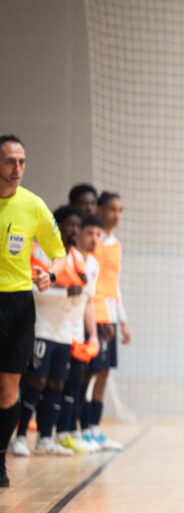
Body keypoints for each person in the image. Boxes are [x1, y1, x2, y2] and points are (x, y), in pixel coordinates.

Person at [0, 135, 67, 486]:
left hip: (18, 305)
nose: (17, 169)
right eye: (11, 161)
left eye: (22, 162)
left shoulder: (34, 206)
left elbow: (60, 252)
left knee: (8, 389)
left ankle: (0, 457)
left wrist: (51, 274)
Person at [9, 206, 93, 456]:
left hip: (64, 332)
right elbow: (32, 289)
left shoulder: (76, 257)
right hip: (42, 328)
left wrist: (73, 297)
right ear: (57, 227)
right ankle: (21, 436)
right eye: (70, 225)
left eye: (78, 226)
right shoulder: (40, 253)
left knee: (57, 383)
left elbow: (82, 295)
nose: (75, 231)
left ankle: (46, 438)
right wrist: (65, 293)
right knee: (36, 380)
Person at [81, 191, 129, 451]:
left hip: (109, 316)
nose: (117, 215)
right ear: (100, 209)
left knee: (103, 372)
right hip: (92, 313)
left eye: (120, 210)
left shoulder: (116, 244)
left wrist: (123, 320)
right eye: (112, 209)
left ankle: (95, 429)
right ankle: (82, 428)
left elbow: (115, 284)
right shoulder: (92, 241)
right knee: (87, 374)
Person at [56, 213, 102, 454]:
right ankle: (54, 434)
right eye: (89, 233)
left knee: (75, 384)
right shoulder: (66, 258)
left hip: (78, 333)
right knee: (55, 385)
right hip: (60, 330)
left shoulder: (93, 264)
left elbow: (89, 302)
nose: (94, 239)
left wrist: (92, 335)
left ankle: (70, 432)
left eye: (98, 235)